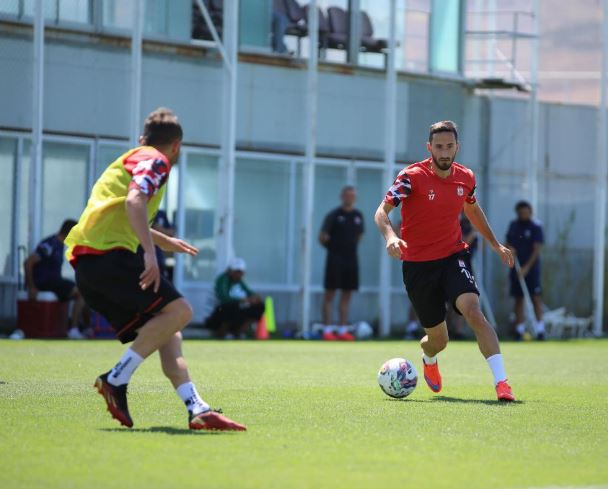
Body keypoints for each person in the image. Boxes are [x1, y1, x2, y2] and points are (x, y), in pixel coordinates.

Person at [65, 108, 245, 431]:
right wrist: (150, 252)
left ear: (142, 139)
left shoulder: (131, 158)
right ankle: (116, 379)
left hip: (91, 266)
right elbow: (135, 202)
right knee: (181, 311)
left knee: (168, 330)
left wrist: (162, 241)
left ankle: (197, 408)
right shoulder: (157, 160)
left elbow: (125, 211)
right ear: (176, 146)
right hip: (109, 257)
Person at [374, 120, 516, 402]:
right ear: (429, 148)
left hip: (453, 255)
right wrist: (390, 237)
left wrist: (495, 243)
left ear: (457, 147)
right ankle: (429, 357)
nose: (444, 152)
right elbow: (381, 211)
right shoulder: (411, 177)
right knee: (439, 341)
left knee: (473, 312)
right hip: (418, 265)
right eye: (438, 146)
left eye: (449, 146)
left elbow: (472, 210)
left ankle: (502, 383)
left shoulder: (466, 177)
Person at [23, 219, 88, 339]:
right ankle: (73, 329)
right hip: (45, 283)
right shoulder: (50, 244)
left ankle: (82, 327)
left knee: (85, 291)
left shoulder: (60, 245)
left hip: (55, 283)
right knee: (81, 292)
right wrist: (32, 287)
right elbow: (28, 263)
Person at [319, 186, 364, 341]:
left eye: (352, 195)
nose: (349, 198)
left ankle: (342, 329)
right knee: (330, 294)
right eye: (347, 195)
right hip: (334, 260)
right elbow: (322, 237)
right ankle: (327, 329)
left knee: (347, 294)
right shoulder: (333, 215)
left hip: (351, 260)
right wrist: (334, 249)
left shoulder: (358, 216)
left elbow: (359, 236)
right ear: (342, 197)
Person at [506, 201, 545, 340]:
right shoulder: (514, 225)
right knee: (518, 298)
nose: (524, 215)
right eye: (521, 213)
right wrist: (510, 248)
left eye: (526, 212)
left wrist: (527, 268)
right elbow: (507, 243)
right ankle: (519, 330)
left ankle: (540, 330)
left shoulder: (536, 226)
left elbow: (537, 249)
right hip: (516, 268)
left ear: (530, 212)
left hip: (531, 269)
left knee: (535, 298)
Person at [205, 258, 265, 339]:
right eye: (237, 272)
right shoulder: (223, 279)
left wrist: (255, 298)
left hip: (234, 308)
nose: (239, 274)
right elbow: (224, 298)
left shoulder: (239, 280)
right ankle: (222, 333)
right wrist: (244, 300)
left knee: (259, 306)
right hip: (217, 313)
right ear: (230, 271)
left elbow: (249, 292)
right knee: (232, 307)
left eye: (241, 272)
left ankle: (238, 332)